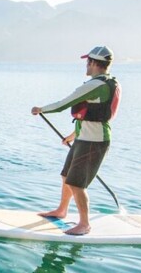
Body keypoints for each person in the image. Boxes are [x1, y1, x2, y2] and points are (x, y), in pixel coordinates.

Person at [31, 46, 121, 235]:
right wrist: (72, 135)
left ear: (95, 63)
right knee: (66, 176)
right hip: (85, 138)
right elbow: (91, 116)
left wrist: (41, 109)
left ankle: (84, 224)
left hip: (94, 142)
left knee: (77, 183)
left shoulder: (95, 85)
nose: (86, 65)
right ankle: (62, 210)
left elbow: (63, 104)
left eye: (88, 61)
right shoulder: (105, 83)